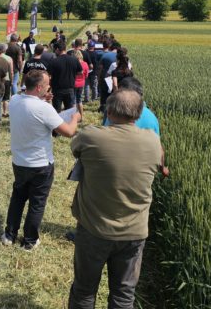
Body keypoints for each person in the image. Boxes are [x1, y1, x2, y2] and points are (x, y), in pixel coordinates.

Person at [68, 90, 166, 308]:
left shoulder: (91, 136)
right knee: (123, 295)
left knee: (84, 291)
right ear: (138, 115)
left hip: (94, 229)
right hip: (134, 232)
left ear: (109, 112)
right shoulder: (153, 140)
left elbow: (75, 149)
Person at [1, 69, 81, 250]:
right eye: (46, 86)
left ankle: (9, 234)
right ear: (38, 87)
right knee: (37, 203)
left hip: (19, 161)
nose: (49, 88)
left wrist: (44, 99)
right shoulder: (44, 109)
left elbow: (28, 101)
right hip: (40, 164)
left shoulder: (14, 100)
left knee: (18, 198)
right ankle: (30, 240)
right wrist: (75, 117)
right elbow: (69, 132)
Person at [45, 41, 82, 113]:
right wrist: (72, 74)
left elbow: (47, 75)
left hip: (57, 90)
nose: (54, 52)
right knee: (69, 112)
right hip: (70, 89)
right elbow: (80, 72)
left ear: (57, 49)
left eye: (55, 50)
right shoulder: (74, 60)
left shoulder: (53, 61)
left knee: (57, 112)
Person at [0, 43, 14, 117]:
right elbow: (11, 72)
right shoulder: (9, 58)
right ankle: (5, 112)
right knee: (6, 98)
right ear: (5, 50)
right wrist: (12, 81)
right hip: (6, 79)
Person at [72, 50, 89, 122]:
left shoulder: (73, 64)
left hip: (73, 83)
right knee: (79, 101)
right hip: (82, 83)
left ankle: (73, 118)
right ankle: (81, 117)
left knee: (73, 101)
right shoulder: (85, 64)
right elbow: (86, 75)